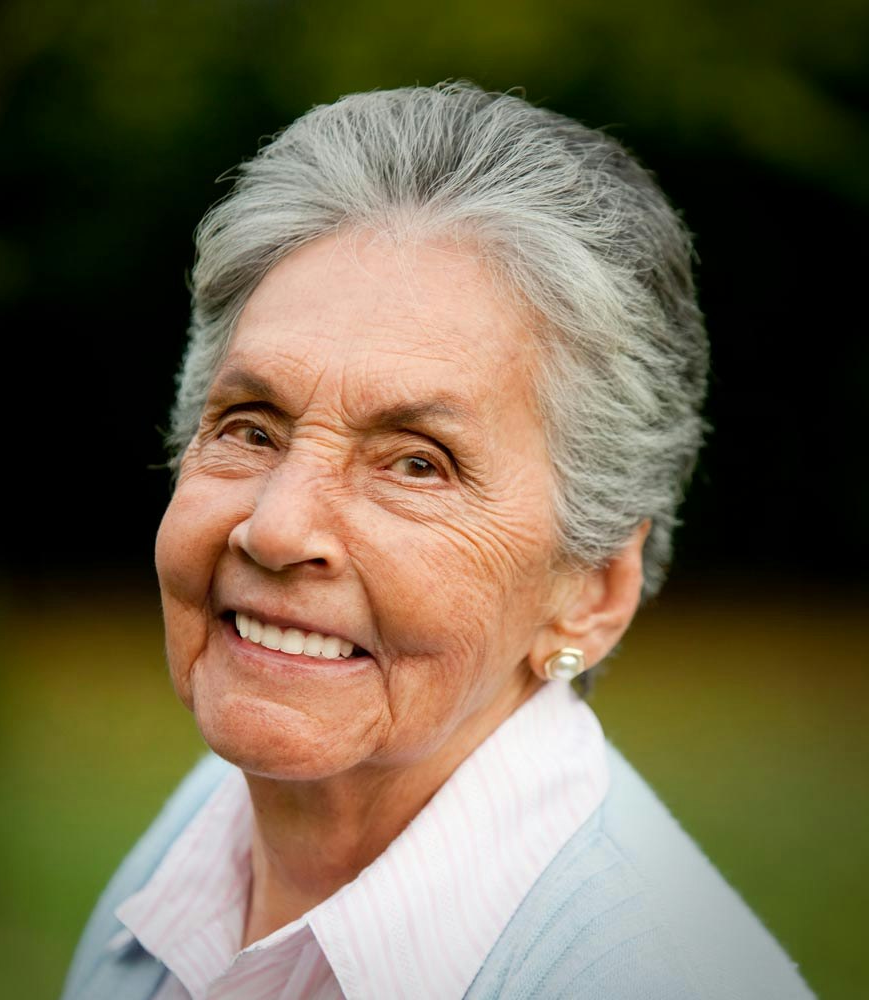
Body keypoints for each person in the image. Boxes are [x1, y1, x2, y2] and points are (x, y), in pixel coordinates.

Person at [62, 83, 813, 999]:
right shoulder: (201, 833)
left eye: (417, 464)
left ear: (593, 591)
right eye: (252, 427)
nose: (278, 526)